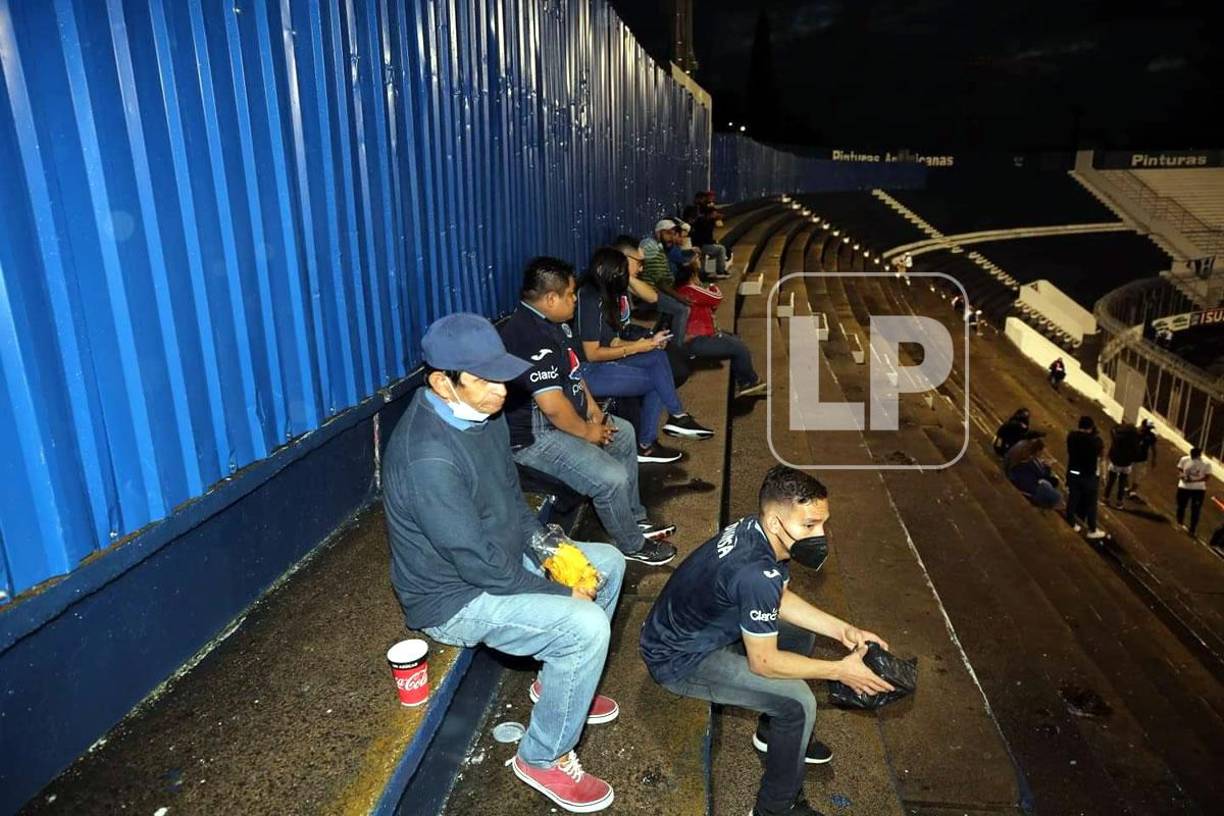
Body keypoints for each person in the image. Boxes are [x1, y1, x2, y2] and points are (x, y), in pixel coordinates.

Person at [382, 313, 625, 813]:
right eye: (484, 378)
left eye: (501, 374)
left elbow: (513, 503)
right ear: (440, 382)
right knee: (584, 625)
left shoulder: (482, 414)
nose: (501, 390)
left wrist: (549, 549)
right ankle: (542, 757)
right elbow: (479, 567)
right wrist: (561, 593)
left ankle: (556, 686)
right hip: (453, 597)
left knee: (606, 561)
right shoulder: (428, 458)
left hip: (497, 555)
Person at [640, 465, 893, 816]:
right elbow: (765, 662)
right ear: (776, 522)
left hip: (700, 628)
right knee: (800, 702)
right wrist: (839, 670)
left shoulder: (757, 532)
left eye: (822, 523)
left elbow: (780, 599)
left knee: (800, 633)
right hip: (680, 659)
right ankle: (775, 808)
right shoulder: (755, 572)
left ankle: (773, 733)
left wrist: (843, 631)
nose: (820, 535)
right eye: (809, 526)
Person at [499, 257, 678, 565]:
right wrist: (588, 431)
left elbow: (574, 372)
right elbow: (553, 408)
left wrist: (593, 410)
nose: (574, 300)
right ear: (551, 298)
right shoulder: (528, 336)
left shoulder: (555, 325)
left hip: (565, 418)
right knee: (609, 478)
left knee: (623, 435)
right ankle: (631, 545)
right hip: (533, 437)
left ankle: (634, 517)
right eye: (570, 295)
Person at [575, 247, 713, 463]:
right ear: (603, 270)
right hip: (586, 371)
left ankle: (675, 418)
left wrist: (646, 343)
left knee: (658, 358)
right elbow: (592, 354)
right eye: (621, 273)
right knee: (655, 381)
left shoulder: (605, 293)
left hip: (602, 362)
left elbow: (612, 340)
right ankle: (648, 444)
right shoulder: (590, 297)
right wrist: (637, 348)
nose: (624, 278)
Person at [674, 264, 767, 398]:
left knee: (735, 339)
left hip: (699, 336)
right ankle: (749, 382)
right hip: (697, 340)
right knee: (739, 348)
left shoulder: (683, 291)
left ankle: (744, 379)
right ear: (692, 276)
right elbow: (717, 297)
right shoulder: (690, 289)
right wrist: (712, 286)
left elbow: (712, 305)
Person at [637, 219, 692, 347]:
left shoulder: (659, 248)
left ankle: (670, 338)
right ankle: (677, 347)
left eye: (673, 234)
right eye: (667, 233)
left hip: (657, 293)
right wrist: (680, 297)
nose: (671, 238)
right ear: (658, 234)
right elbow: (660, 283)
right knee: (683, 309)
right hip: (649, 297)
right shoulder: (652, 249)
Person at [1065, 416, 1107, 540]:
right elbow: (1102, 456)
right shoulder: (1096, 441)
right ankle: (1092, 529)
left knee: (1073, 498)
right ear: (1091, 427)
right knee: (1091, 503)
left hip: (1073, 472)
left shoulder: (1071, 436)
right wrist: (1103, 476)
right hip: (1088, 476)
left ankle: (1071, 521)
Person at [1004, 437, 1063, 509]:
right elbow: (1043, 475)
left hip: (1019, 479)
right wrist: (1048, 466)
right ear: (1038, 451)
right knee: (1056, 494)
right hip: (1031, 489)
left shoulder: (1024, 456)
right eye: (1041, 452)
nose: (1042, 454)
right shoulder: (1030, 461)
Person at [1175, 446, 1212, 537]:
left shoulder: (1206, 463)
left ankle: (1192, 529)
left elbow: (1207, 477)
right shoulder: (1184, 459)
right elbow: (1180, 468)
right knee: (1181, 506)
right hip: (1184, 487)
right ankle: (1179, 523)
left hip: (1198, 489)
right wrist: (1182, 475)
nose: (1192, 456)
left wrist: (1193, 481)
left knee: (1195, 509)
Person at [1104, 422, 1141, 509]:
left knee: (1111, 481)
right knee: (1122, 483)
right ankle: (1119, 502)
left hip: (1115, 462)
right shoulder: (1135, 440)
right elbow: (1137, 453)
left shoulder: (1118, 437)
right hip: (1126, 464)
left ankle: (1106, 498)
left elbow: (1112, 431)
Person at [1128, 419, 1158, 499]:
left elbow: (1153, 448)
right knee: (1127, 472)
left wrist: (1154, 459)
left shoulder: (1151, 436)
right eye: (1148, 428)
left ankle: (1133, 491)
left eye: (1150, 428)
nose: (1149, 430)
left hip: (1142, 459)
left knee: (1138, 476)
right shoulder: (1135, 432)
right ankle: (1125, 487)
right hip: (1131, 457)